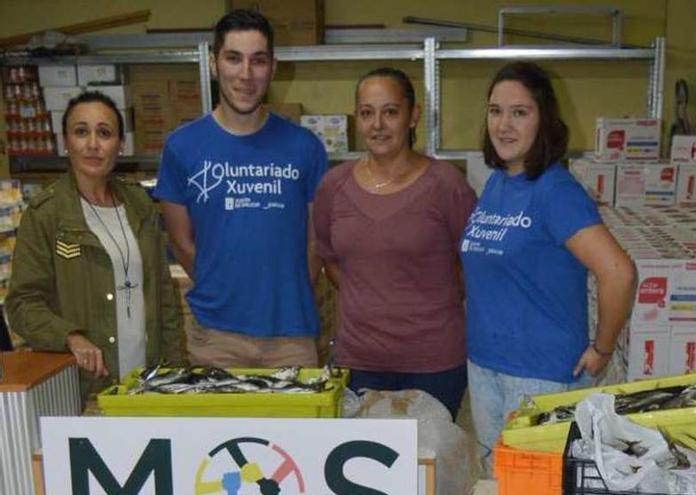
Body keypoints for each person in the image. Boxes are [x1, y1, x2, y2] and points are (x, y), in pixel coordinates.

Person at [460, 62, 636, 473]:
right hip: (486, 364)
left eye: (520, 112)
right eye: (495, 111)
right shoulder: (497, 183)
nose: (504, 125)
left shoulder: (556, 192)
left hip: (540, 376)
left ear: (544, 120)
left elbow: (619, 273)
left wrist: (602, 349)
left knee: (533, 483)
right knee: (499, 479)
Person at [155, 9, 328, 368]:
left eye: (258, 60)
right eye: (234, 59)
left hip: (292, 338)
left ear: (273, 67)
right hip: (215, 338)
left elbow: (316, 241)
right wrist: (225, 290)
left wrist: (286, 294)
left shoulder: (305, 147)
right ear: (214, 63)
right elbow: (181, 241)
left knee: (292, 427)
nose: (246, 75)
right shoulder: (181, 147)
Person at [313, 68, 477, 418]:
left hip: (433, 364)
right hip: (358, 362)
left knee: (428, 467)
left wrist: (426, 303)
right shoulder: (334, 186)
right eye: (367, 113)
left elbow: (473, 264)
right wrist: (372, 298)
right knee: (362, 468)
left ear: (413, 115)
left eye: (390, 112)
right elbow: (331, 262)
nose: (378, 125)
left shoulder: (446, 185)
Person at [6, 91, 182, 403]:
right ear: (65, 142)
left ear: (121, 145)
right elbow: (22, 304)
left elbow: (164, 297)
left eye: (104, 133)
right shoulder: (46, 214)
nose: (92, 144)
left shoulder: (139, 205)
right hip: (85, 387)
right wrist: (69, 336)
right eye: (80, 131)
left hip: (149, 384)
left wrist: (175, 373)